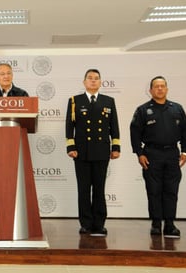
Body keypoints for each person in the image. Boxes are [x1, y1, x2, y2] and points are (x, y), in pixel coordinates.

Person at [130, 76, 186, 239]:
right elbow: (134, 133)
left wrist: (185, 151)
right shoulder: (143, 110)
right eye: (156, 86)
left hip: (172, 154)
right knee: (154, 190)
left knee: (171, 190)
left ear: (167, 89)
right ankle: (156, 223)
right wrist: (139, 153)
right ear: (150, 90)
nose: (159, 89)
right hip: (151, 154)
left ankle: (170, 224)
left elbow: (185, 130)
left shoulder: (176, 108)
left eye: (162, 86)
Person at [65, 69, 120, 237]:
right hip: (81, 152)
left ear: (100, 82)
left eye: (96, 78)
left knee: (99, 189)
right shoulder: (75, 101)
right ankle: (86, 224)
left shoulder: (108, 101)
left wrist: (115, 147)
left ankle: (99, 223)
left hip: (102, 151)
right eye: (90, 78)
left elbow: (114, 126)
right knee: (83, 189)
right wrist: (70, 147)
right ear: (84, 82)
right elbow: (69, 126)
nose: (93, 81)